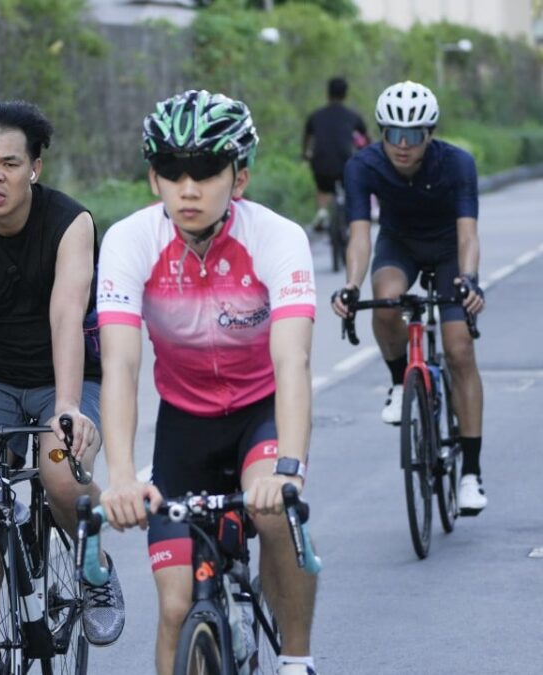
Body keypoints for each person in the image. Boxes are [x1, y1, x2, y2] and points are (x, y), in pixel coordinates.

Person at [98, 90, 320, 675]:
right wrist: (120, 477)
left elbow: (293, 361)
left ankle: (297, 660)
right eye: (172, 171)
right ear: (154, 179)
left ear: (238, 178)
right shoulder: (130, 242)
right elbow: (119, 364)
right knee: (176, 607)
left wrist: (289, 468)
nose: (187, 188)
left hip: (259, 413)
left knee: (274, 514)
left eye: (205, 172)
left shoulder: (277, 238)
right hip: (184, 428)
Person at [0, 100, 125, 672]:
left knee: (61, 477)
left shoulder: (70, 222)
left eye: (9, 163)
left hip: (66, 378)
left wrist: (65, 406)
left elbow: (67, 314)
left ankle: (95, 573)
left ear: (35, 166)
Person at [331, 80, 487, 514]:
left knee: (459, 349)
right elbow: (360, 236)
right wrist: (351, 284)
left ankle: (472, 473)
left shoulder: (457, 164)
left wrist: (470, 279)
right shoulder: (363, 165)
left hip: (449, 250)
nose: (402, 145)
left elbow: (468, 234)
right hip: (399, 246)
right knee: (385, 303)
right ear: (380, 132)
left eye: (414, 135)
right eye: (393, 134)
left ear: (430, 133)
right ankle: (402, 381)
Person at [302, 76, 369, 230]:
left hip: (320, 164)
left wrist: (306, 154)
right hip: (346, 163)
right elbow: (366, 138)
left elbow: (307, 138)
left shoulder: (315, 116)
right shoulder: (353, 116)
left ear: (328, 93)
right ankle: (352, 215)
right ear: (345, 94)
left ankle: (322, 212)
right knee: (350, 186)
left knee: (322, 187)